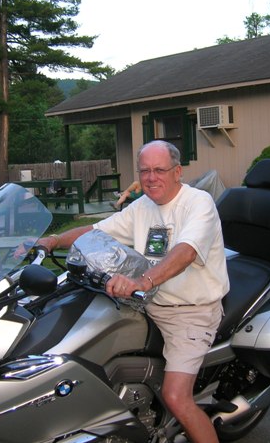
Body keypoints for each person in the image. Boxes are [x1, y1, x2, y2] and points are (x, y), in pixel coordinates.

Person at [38, 141, 229, 442]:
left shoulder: (198, 203)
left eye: (159, 170)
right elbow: (97, 231)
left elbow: (186, 251)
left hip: (190, 312)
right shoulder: (142, 207)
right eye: (144, 171)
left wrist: (143, 281)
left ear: (177, 172)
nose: (151, 178)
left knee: (177, 397)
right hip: (146, 304)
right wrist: (53, 240)